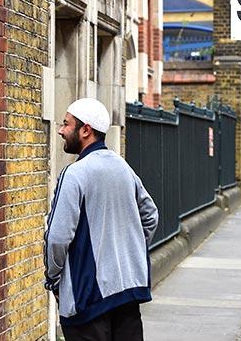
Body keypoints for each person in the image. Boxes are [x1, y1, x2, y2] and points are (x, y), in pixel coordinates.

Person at [44, 98, 159, 341]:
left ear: (86, 130)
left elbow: (57, 237)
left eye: (66, 124)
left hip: (88, 299)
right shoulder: (123, 167)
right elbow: (150, 216)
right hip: (128, 292)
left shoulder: (74, 174)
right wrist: (129, 251)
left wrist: (53, 279)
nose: (61, 130)